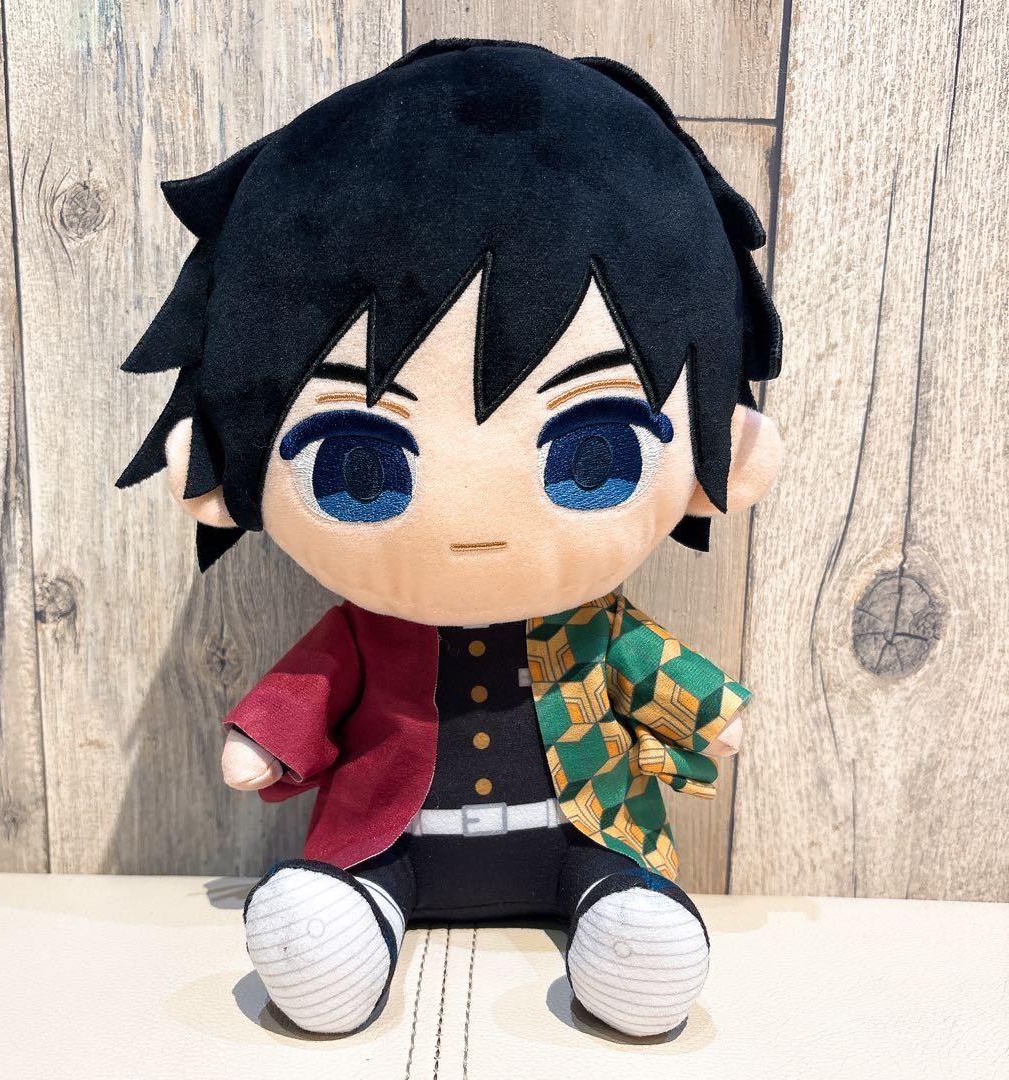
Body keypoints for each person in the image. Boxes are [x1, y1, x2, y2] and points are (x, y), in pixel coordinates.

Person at [119, 38, 784, 1037]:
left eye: (592, 456)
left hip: (588, 832)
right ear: (217, 477)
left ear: (727, 456)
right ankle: (353, 920)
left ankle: (621, 918)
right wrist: (265, 739)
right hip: (386, 841)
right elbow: (305, 696)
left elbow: (661, 675)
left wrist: (713, 715)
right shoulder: (363, 633)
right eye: (359, 468)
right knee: (337, 906)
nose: (473, 521)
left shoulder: (599, 632)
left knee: (629, 904)